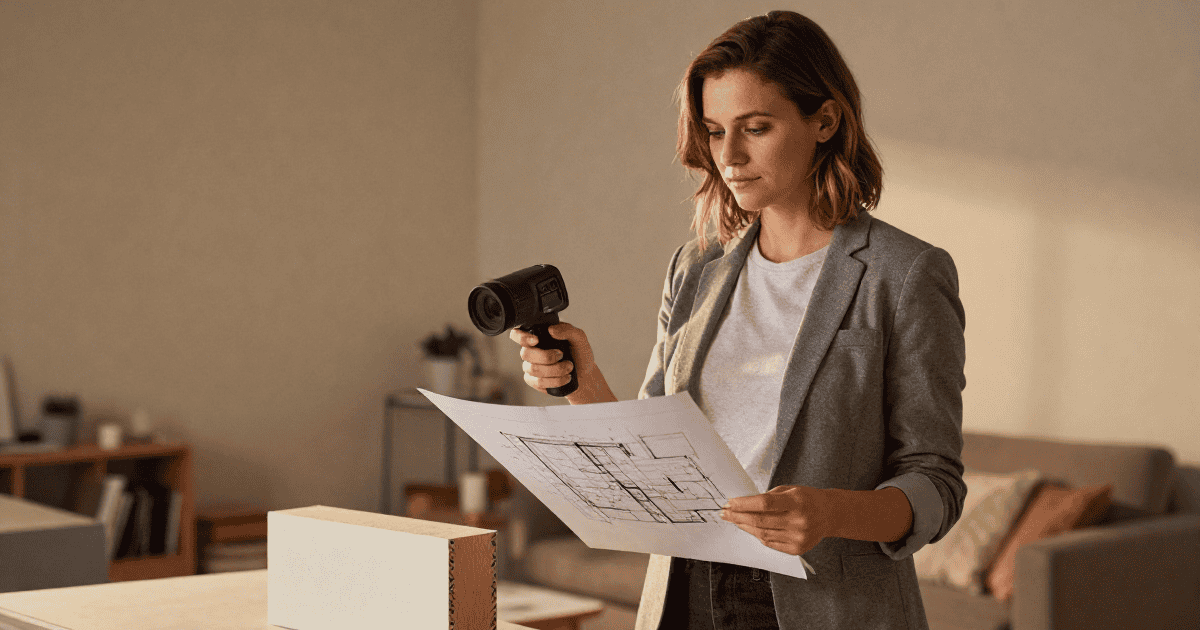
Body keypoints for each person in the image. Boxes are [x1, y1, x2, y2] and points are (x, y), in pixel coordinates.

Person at [508, 10, 966, 630]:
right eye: (714, 129)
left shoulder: (905, 274)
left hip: (824, 606)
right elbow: (650, 449)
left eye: (756, 128)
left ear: (825, 120)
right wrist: (583, 384)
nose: (729, 155)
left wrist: (830, 514)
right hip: (683, 589)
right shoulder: (696, 266)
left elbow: (935, 483)